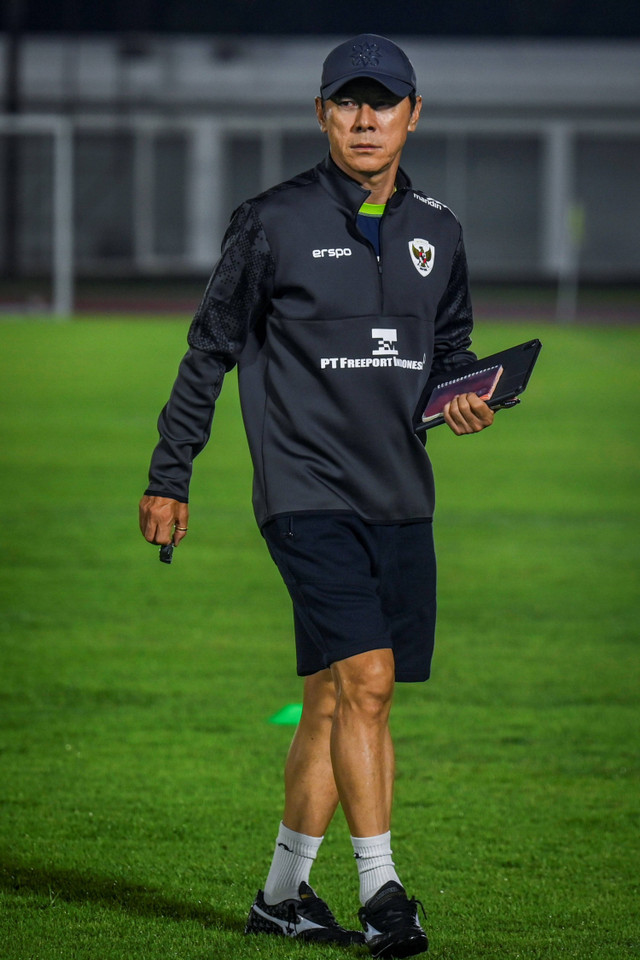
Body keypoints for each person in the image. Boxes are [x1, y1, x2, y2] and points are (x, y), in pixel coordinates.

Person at [139, 33, 494, 959]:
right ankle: (384, 891)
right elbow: (208, 350)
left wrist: (464, 397)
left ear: (414, 115)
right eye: (348, 102)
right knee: (367, 683)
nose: (366, 119)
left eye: (384, 103)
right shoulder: (270, 220)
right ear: (322, 114)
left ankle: (280, 896)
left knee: (338, 697)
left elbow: (448, 355)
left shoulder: (441, 231)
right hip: (303, 492)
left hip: (399, 496)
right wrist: (169, 476)